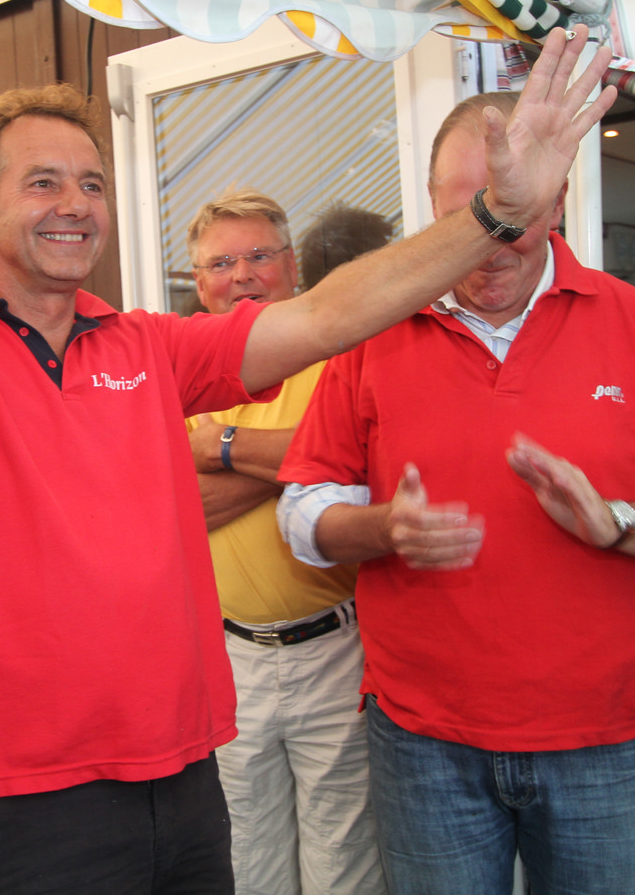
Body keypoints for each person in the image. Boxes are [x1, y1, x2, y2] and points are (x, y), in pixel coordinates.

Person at [0, 0, 615, 887]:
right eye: (41, 182)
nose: (75, 203)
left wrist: (494, 217)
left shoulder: (144, 345)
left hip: (182, 773)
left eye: (90, 182)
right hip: (13, 794)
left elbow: (327, 312)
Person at [277, 90, 635, 895]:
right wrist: (380, 527)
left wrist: (619, 521)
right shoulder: (375, 328)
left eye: (516, 215)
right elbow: (300, 511)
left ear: (557, 198)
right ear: (432, 212)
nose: (490, 244)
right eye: (466, 218)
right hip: (423, 740)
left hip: (607, 739)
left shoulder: (631, 320)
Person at [184, 191, 382, 894]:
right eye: (220, 263)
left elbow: (366, 454)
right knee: (248, 862)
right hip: (228, 658)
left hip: (337, 650)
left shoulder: (338, 353)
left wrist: (224, 445)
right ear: (198, 282)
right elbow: (182, 507)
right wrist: (303, 465)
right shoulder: (181, 373)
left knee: (344, 863)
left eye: (259, 256)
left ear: (292, 267)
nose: (241, 275)